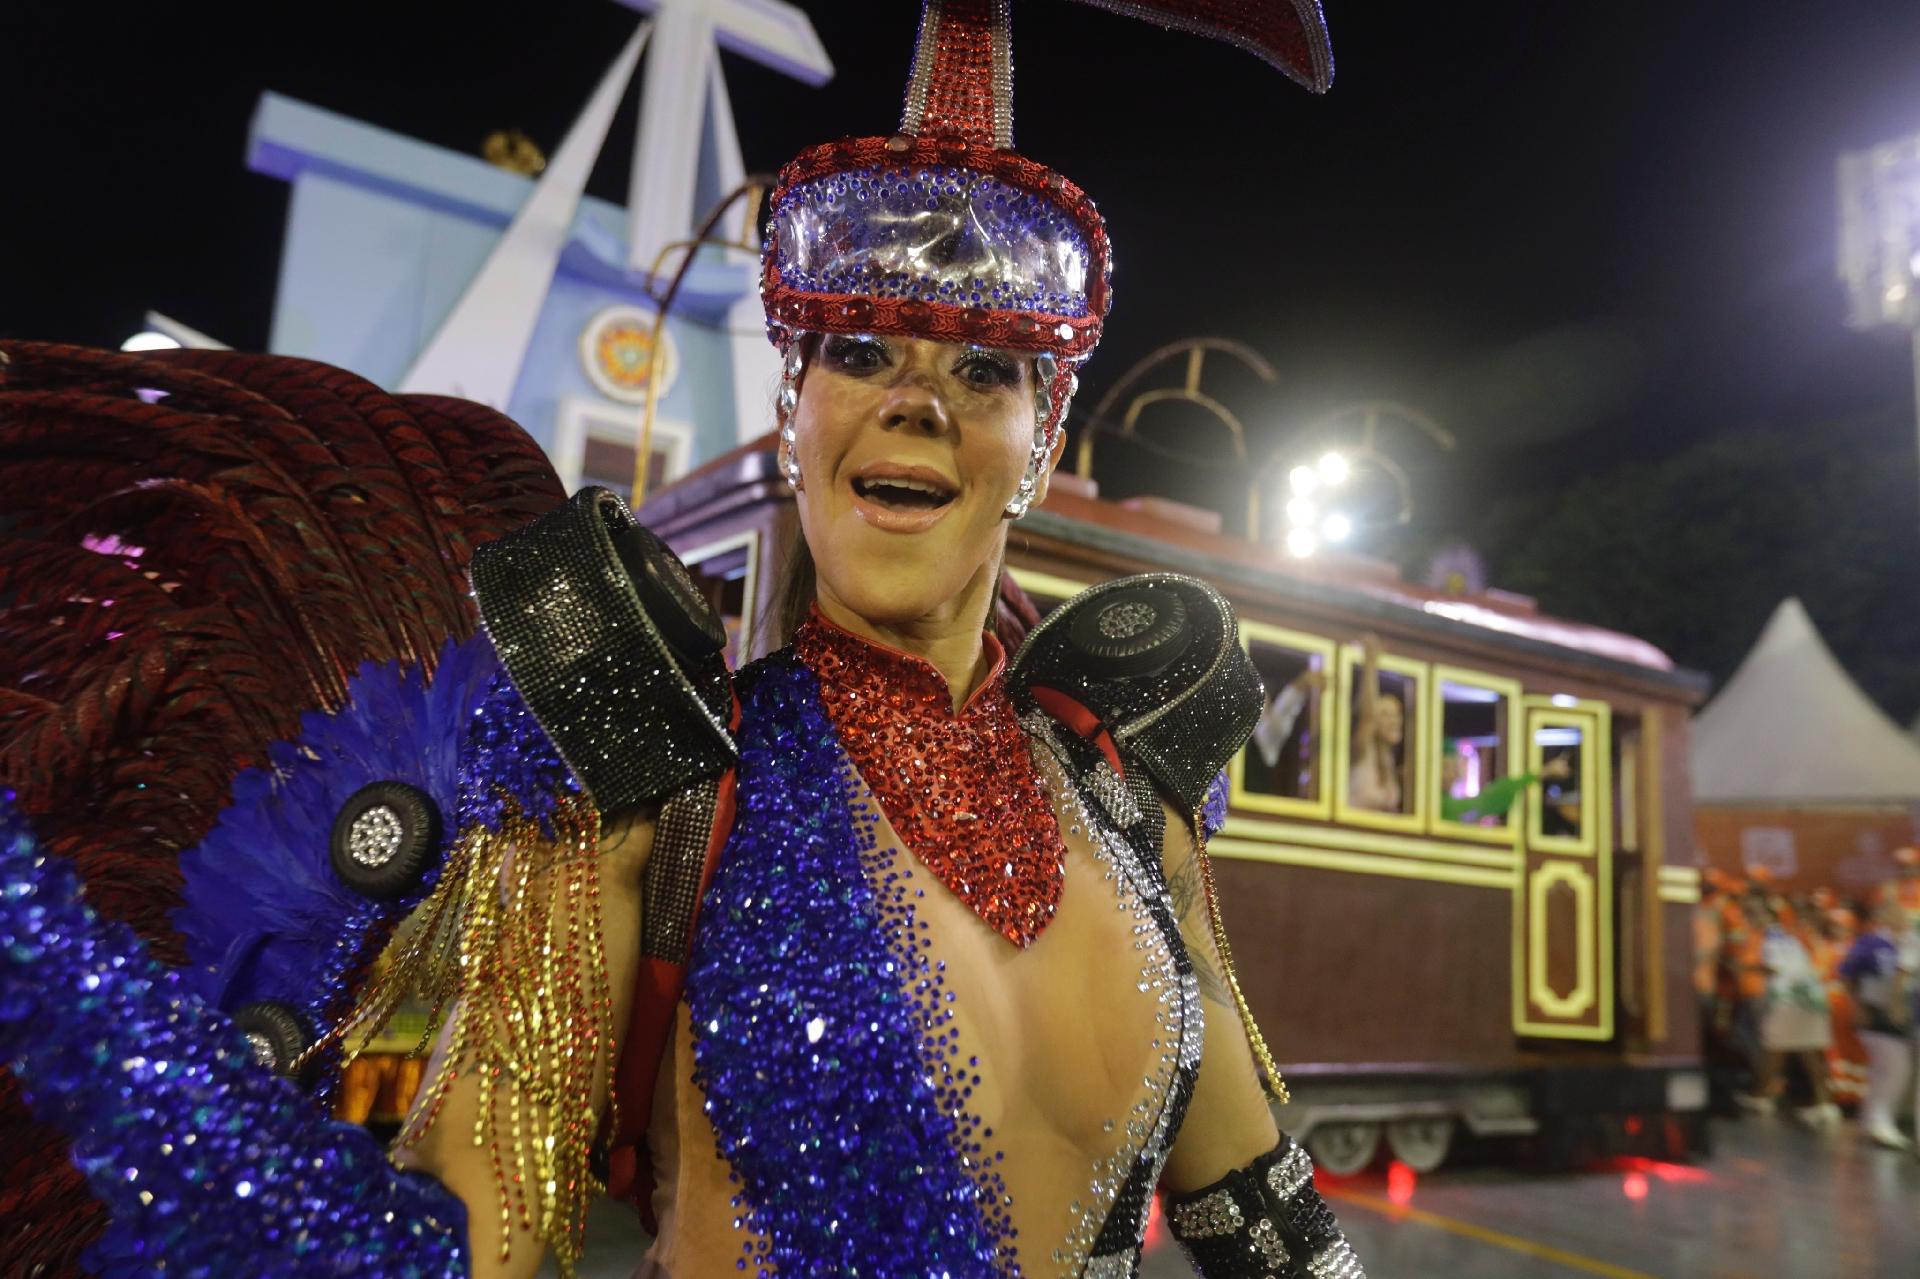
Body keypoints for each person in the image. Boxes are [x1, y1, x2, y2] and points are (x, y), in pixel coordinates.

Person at [1751, 896, 1839, 1126]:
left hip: (1792, 1002)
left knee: (1777, 1049)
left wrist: (1746, 966)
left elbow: (1772, 966)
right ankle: (1823, 1103)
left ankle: (1763, 1097)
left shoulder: (1783, 938)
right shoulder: (1813, 939)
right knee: (1808, 1052)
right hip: (1811, 1001)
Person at [1839, 899, 1918, 1149]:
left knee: (1886, 1070)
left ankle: (1872, 1119)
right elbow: (1847, 973)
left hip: (1902, 1017)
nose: (1903, 917)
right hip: (1877, 1014)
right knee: (1896, 1068)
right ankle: (1881, 1122)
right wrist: (1858, 1006)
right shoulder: (1871, 942)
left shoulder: (1908, 941)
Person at [1348, 633, 1406, 813]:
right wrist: (1371, 664)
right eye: (1386, 715)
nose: (1395, 721)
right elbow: (1367, 716)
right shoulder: (1363, 748)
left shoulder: (1388, 759)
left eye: (1397, 714)